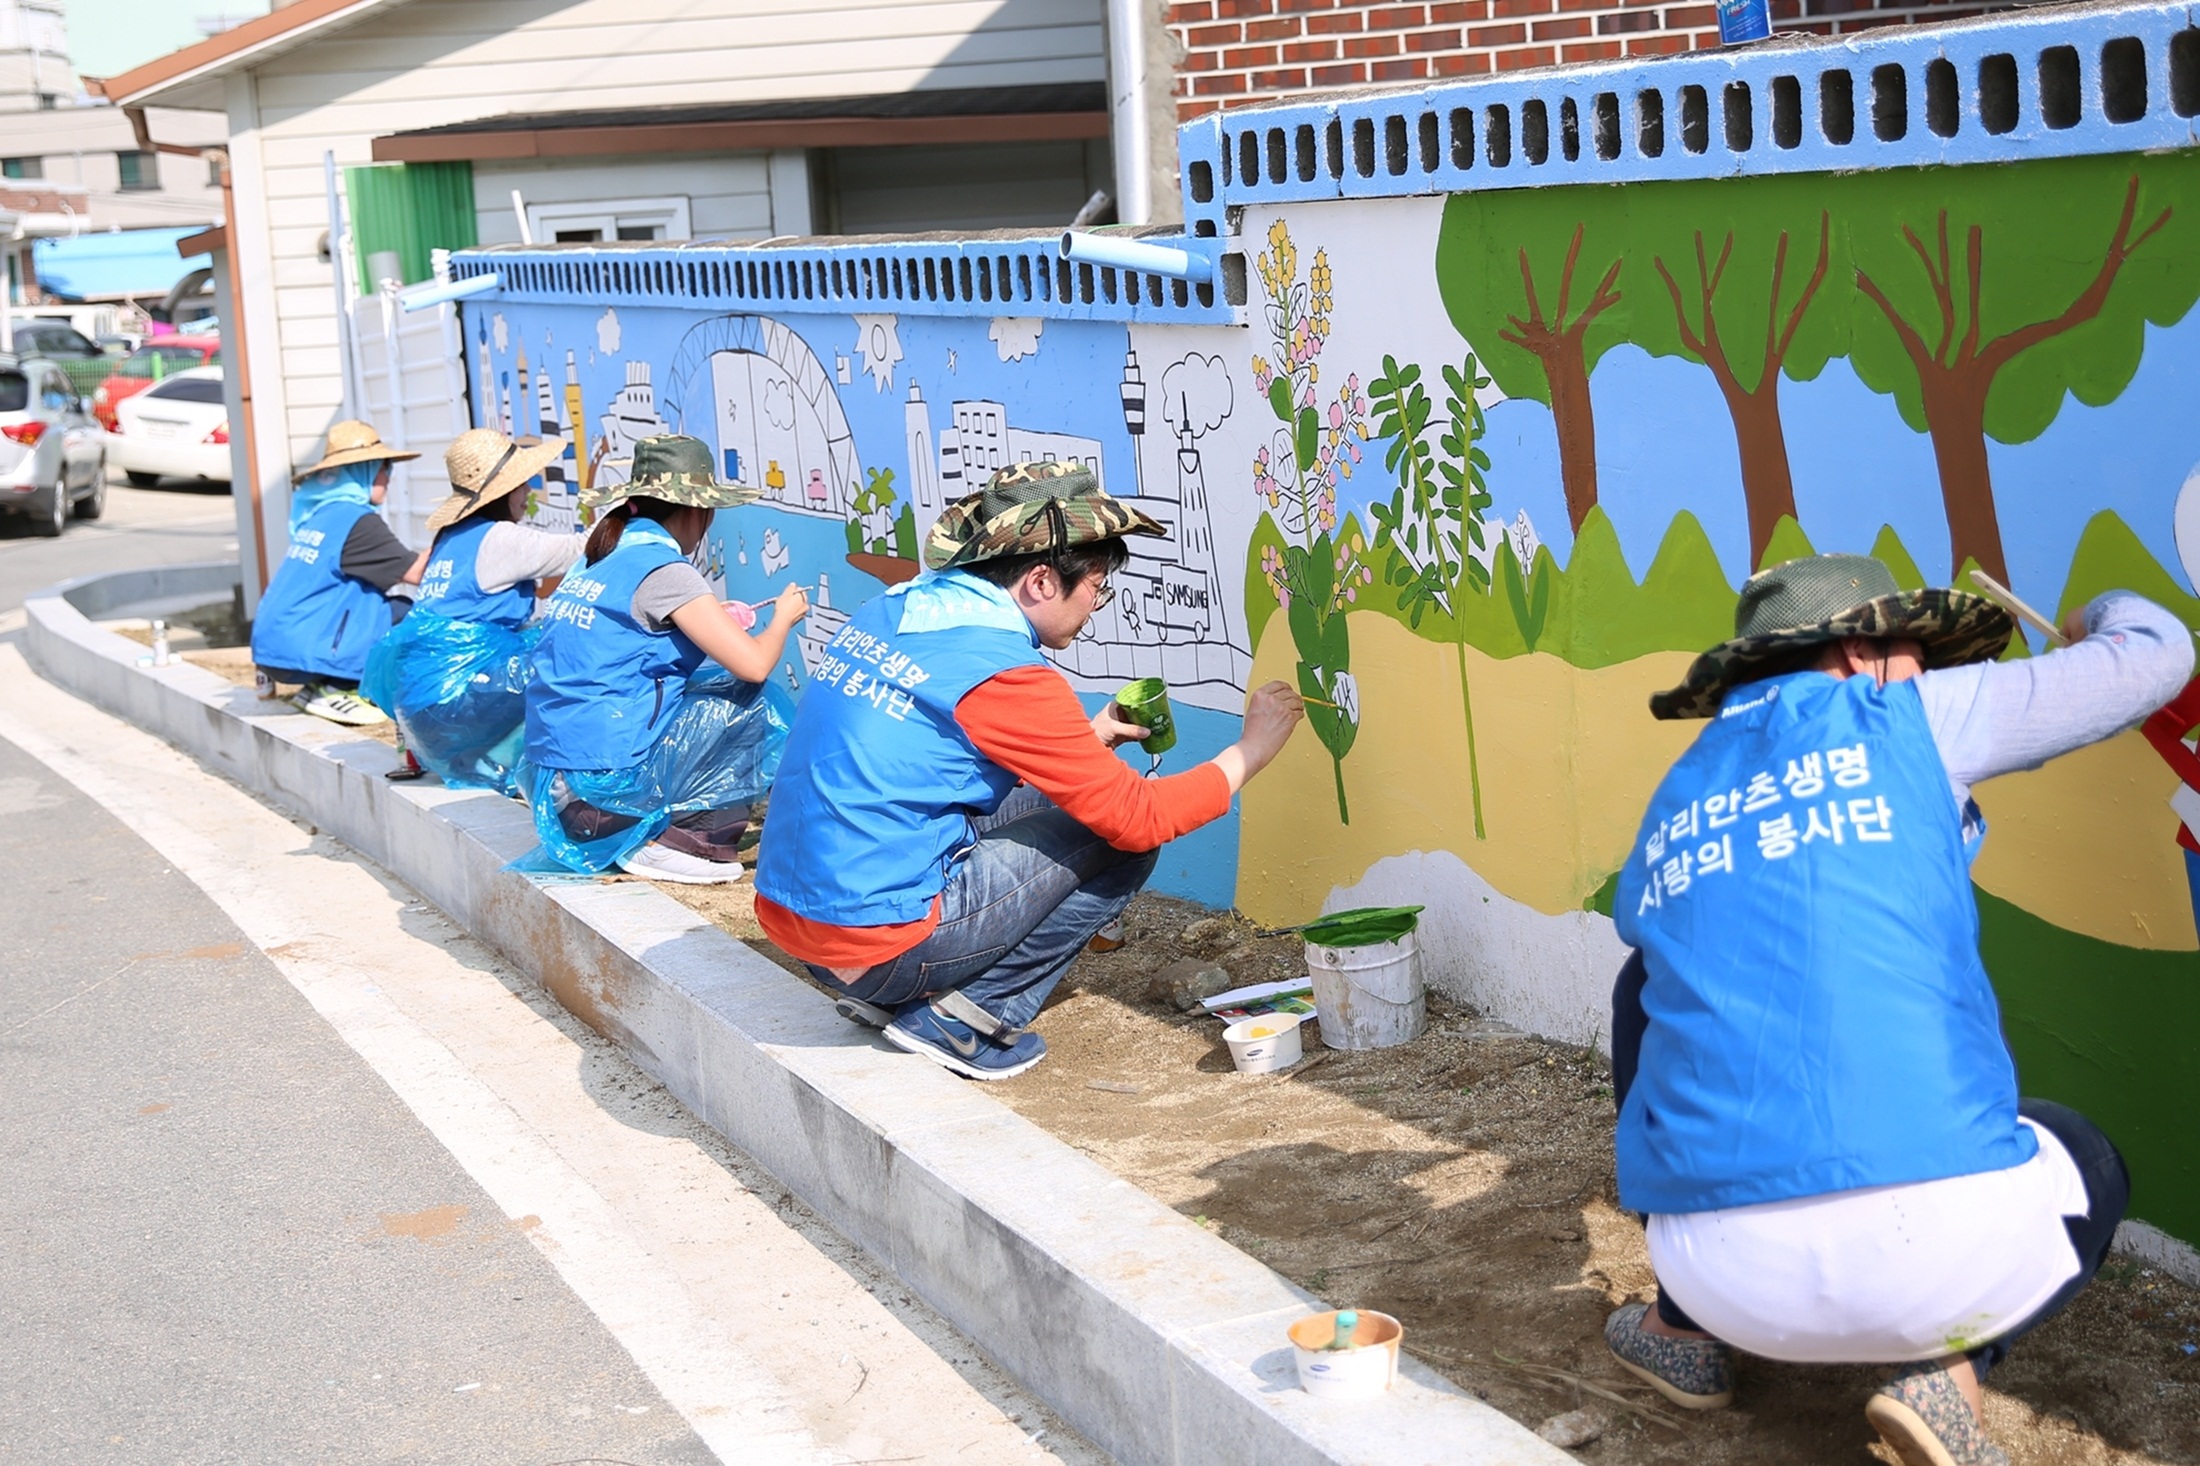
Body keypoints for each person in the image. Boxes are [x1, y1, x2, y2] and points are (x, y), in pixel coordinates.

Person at [1603, 553, 2191, 1466]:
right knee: (2091, 1156)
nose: (1935, 674)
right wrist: (2094, 616)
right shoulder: (1910, 716)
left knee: (1648, 983)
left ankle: (1680, 1334)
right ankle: (1947, 1382)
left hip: (1719, 1277)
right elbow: (2158, 653)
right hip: (1941, 1269)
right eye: (1920, 653)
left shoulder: (1680, 789)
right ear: (1858, 653)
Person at [753, 461, 1307, 1081]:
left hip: (804, 932)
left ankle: (897, 993)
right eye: (1096, 586)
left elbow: (938, 760)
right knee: (1123, 841)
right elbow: (1141, 817)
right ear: (1041, 581)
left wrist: (1089, 738)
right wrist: (1252, 748)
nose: (1096, 605)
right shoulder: (1006, 673)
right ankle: (967, 1020)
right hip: (877, 947)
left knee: (1063, 806)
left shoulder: (896, 610)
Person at [520, 433, 806, 884]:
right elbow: (753, 664)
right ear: (697, 510)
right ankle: (672, 842)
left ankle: (641, 829)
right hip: (602, 798)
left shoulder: (598, 558)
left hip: (557, 790)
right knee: (752, 701)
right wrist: (783, 620)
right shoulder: (666, 571)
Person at [362, 428, 579, 793]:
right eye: (524, 484)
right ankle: (547, 773)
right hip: (457, 705)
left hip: (424, 716)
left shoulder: (450, 536)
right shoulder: (500, 539)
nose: (528, 493)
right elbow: (584, 548)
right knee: (572, 644)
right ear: (506, 490)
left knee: (533, 643)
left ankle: (490, 759)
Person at [250, 420, 425, 726]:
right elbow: (417, 573)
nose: (389, 476)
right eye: (385, 467)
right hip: (300, 653)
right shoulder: (358, 522)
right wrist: (460, 532)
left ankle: (318, 688)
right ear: (365, 470)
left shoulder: (323, 513)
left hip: (276, 651)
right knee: (407, 614)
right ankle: (338, 688)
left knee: (375, 600)